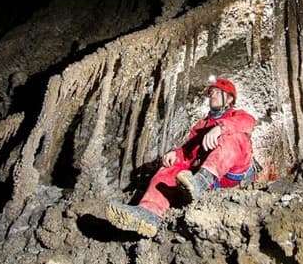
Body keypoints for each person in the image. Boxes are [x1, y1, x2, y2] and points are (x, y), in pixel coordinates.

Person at [106, 77, 257, 237]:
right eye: (210, 92)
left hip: (233, 173)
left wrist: (221, 128)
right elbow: (188, 153)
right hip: (207, 179)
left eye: (217, 92)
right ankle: (149, 213)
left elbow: (248, 122)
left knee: (234, 136)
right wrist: (175, 154)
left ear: (229, 98)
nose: (211, 95)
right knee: (171, 165)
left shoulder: (237, 115)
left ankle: (201, 180)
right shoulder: (201, 125)